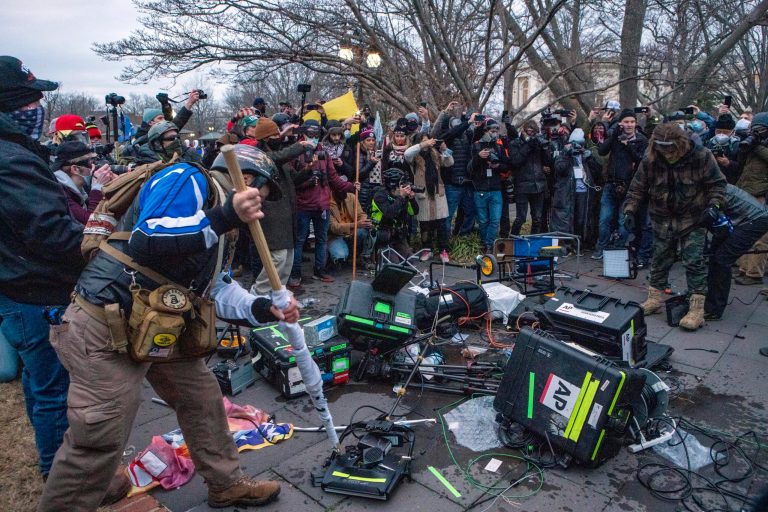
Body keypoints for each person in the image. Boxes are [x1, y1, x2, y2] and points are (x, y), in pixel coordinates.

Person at [39, 145, 298, 510]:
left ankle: (226, 483)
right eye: (265, 194)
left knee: (202, 399)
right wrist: (224, 215)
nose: (263, 205)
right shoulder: (187, 178)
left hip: (156, 325)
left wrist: (263, 307)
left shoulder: (223, 226)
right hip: (104, 324)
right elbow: (150, 236)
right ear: (250, 180)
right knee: (99, 435)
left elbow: (215, 289)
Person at [0, 56, 85, 479]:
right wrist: (98, 239)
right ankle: (62, 478)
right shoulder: (12, 160)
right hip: (34, 292)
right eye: (32, 99)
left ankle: (52, 465)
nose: (39, 107)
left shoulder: (17, 153)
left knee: (40, 384)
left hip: (19, 288)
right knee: (53, 390)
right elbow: (49, 232)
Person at [623, 123, 727, 331]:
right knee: (660, 258)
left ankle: (697, 309)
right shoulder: (651, 158)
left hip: (693, 218)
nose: (667, 154)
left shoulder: (701, 156)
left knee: (694, 261)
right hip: (662, 217)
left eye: (670, 149)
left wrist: (714, 206)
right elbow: (638, 187)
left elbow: (717, 184)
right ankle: (654, 298)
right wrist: (630, 210)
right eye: (662, 149)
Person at [288, 120, 356, 287]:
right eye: (310, 134)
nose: (313, 138)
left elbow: (333, 178)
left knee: (322, 239)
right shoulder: (295, 153)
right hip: (303, 205)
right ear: (303, 134)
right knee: (299, 241)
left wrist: (352, 187)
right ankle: (295, 274)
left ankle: (320, 270)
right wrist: (307, 180)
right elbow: (291, 181)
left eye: (316, 135)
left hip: (322, 205)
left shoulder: (324, 153)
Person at [704, 184, 768, 320]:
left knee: (721, 259)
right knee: (714, 255)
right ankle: (710, 298)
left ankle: (714, 309)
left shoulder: (712, 187)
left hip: (755, 220)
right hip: (738, 219)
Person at [593, 108, 648, 259]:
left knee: (623, 221)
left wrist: (628, 146)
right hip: (611, 184)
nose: (629, 125)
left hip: (629, 187)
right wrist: (614, 135)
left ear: (635, 124)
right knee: (604, 219)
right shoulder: (615, 136)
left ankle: (617, 249)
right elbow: (602, 150)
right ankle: (602, 248)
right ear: (621, 123)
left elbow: (642, 161)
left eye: (632, 122)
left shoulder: (641, 140)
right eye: (626, 122)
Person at [405, 133, 453, 262]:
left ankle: (444, 250)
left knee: (442, 223)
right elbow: (407, 154)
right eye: (424, 141)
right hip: (423, 194)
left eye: (429, 140)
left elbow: (449, 163)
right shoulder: (414, 156)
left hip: (438, 192)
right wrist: (422, 145)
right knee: (425, 224)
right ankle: (427, 249)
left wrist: (444, 149)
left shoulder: (435, 153)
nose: (428, 143)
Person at [550, 129, 601, 245]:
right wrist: (566, 154)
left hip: (584, 192)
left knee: (581, 219)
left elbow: (598, 172)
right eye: (575, 143)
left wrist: (590, 157)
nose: (577, 147)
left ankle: (581, 242)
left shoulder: (585, 156)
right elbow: (560, 169)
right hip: (568, 192)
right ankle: (568, 243)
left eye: (580, 144)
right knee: (569, 218)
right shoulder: (564, 155)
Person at [734, 112, 768, 286]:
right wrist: (747, 144)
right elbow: (739, 165)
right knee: (745, 234)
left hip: (762, 195)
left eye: (760, 129)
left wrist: (758, 146)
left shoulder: (761, 146)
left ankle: (754, 273)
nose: (756, 132)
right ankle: (744, 268)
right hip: (746, 193)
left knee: (760, 238)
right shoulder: (752, 144)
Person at [51, 141, 117, 224]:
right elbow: (90, 222)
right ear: (75, 169)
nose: (94, 167)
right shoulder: (60, 192)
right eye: (90, 163)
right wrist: (97, 188)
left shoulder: (77, 188)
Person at [508, 120, 551, 238]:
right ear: (523, 130)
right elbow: (515, 161)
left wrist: (544, 147)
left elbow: (548, 161)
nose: (531, 134)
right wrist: (528, 145)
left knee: (537, 219)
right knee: (520, 218)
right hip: (522, 185)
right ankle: (512, 241)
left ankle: (533, 244)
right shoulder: (515, 143)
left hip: (539, 185)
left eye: (533, 132)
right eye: (529, 131)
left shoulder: (538, 143)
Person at [371, 168, 419, 257]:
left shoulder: (403, 197)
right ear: (393, 184)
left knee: (409, 262)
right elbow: (389, 213)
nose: (405, 186)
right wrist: (401, 197)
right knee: (393, 264)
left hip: (397, 235)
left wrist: (412, 199)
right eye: (402, 184)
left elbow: (414, 212)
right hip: (382, 234)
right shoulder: (380, 195)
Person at [328, 187, 374, 268]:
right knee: (340, 255)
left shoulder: (351, 197)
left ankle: (363, 258)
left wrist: (364, 222)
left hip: (352, 233)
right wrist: (356, 224)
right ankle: (335, 256)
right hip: (336, 236)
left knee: (366, 232)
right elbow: (334, 227)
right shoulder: (327, 202)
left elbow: (361, 214)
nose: (344, 195)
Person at [135, 120, 201, 164]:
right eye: (172, 138)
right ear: (157, 143)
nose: (176, 140)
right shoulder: (147, 162)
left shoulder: (187, 154)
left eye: (177, 137)